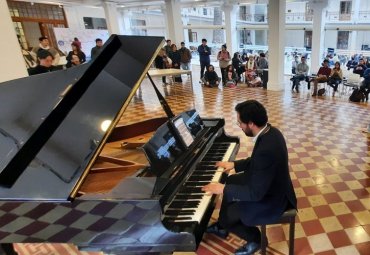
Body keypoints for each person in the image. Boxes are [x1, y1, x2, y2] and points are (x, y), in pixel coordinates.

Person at [202, 100, 297, 255]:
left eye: (240, 123)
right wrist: (234, 165)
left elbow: (255, 194)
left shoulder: (266, 148)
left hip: (274, 197)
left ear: (251, 123)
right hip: (271, 183)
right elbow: (257, 161)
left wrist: (222, 189)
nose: (239, 125)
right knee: (231, 180)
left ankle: (256, 240)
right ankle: (222, 226)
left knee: (231, 213)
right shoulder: (271, 131)